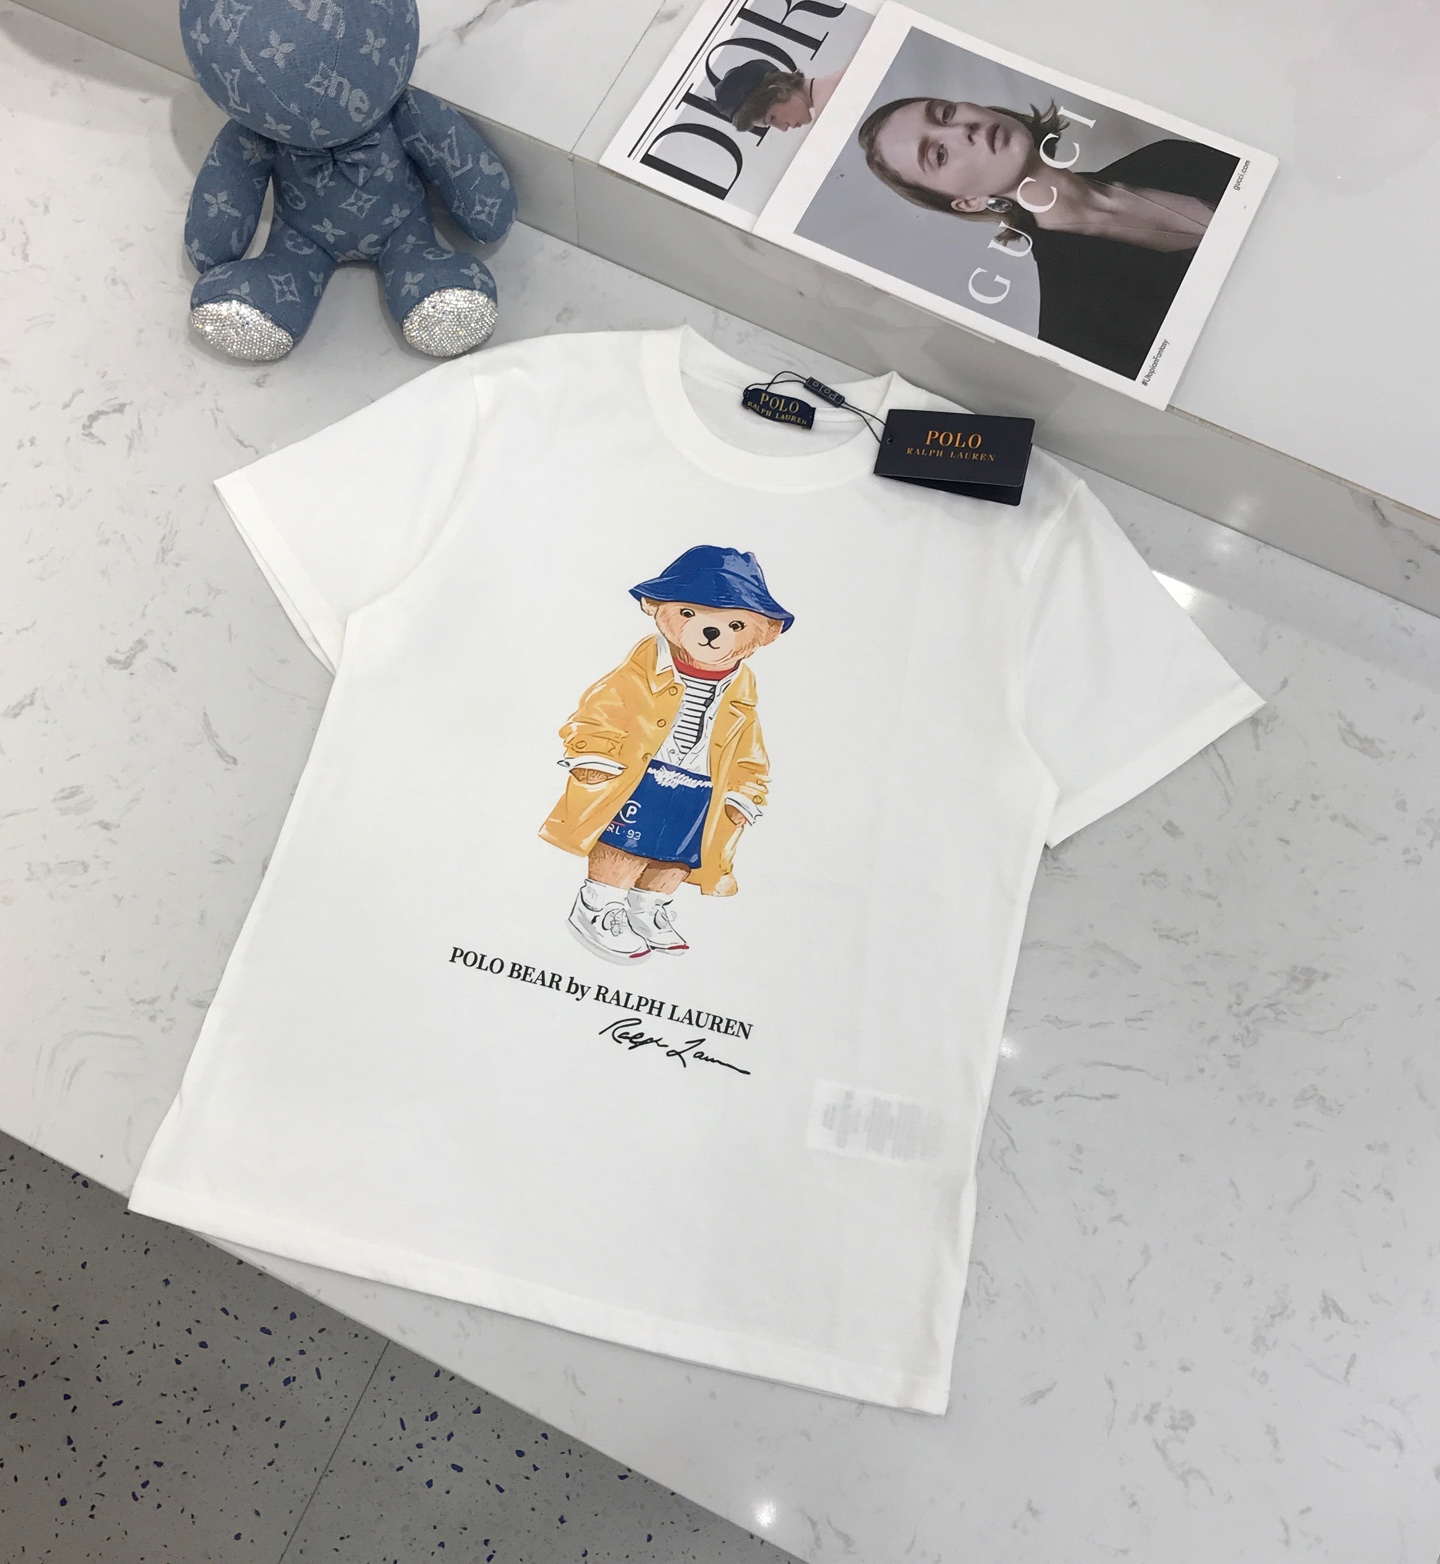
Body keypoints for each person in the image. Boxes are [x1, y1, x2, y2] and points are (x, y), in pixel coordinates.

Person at [857, 96, 1238, 380]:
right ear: (969, 202)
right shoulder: (1075, 329)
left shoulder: (1172, 155)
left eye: (945, 114)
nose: (961, 130)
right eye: (939, 154)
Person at [715, 57, 849, 133]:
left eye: (772, 118)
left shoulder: (830, 115)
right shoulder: (845, 72)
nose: (783, 128)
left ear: (778, 91)